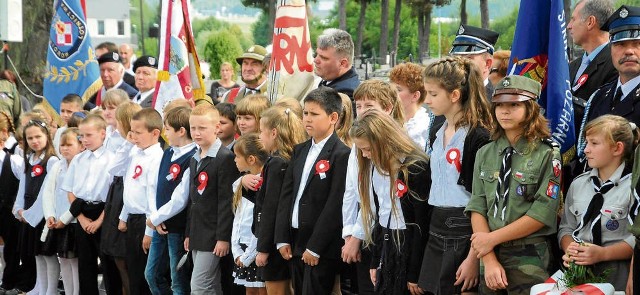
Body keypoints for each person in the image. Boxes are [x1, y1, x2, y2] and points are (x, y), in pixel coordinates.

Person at [465, 75, 562, 294]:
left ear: (531, 109)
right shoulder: (485, 152)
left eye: (514, 105)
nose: (504, 111)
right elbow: (477, 206)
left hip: (528, 254)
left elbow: (542, 212)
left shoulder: (547, 153)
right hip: (489, 253)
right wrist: (488, 258)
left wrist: (490, 239)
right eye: (499, 105)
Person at [418, 56, 493, 295]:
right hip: (437, 222)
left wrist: (473, 257)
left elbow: (481, 201)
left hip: (464, 228)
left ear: (454, 95)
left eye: (432, 94)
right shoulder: (437, 131)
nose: (426, 100)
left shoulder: (477, 137)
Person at [275, 87, 350, 294]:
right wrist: (282, 237)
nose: (307, 119)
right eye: (305, 113)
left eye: (314, 114)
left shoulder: (342, 154)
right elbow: (287, 196)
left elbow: (335, 205)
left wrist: (316, 246)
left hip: (320, 246)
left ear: (333, 117)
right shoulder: (300, 150)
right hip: (295, 239)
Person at [349, 109, 430, 295]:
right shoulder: (375, 169)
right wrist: (376, 259)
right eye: (361, 150)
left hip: (408, 245)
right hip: (387, 244)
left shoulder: (414, 168)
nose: (366, 155)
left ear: (383, 141)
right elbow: (381, 217)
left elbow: (420, 225)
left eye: (368, 149)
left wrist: (414, 273)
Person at [559, 115, 636, 291]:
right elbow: (566, 227)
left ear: (617, 148)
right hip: (577, 275)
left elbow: (636, 238)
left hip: (617, 276)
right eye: (586, 143)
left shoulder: (633, 188)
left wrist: (603, 254)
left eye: (594, 143)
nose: (586, 150)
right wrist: (570, 249)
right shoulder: (579, 184)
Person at [341, 80, 405, 295]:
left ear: (387, 108)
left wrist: (357, 235)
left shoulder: (394, 144)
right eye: (358, 106)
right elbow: (353, 190)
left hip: (385, 228)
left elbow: (381, 198)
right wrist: (349, 232)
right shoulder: (358, 143)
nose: (361, 112)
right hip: (365, 225)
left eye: (369, 106)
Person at [185, 104, 240, 294]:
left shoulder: (224, 158)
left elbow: (227, 202)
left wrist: (223, 237)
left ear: (216, 128)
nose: (197, 133)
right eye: (193, 128)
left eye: (202, 128)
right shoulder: (195, 157)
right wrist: (188, 232)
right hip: (198, 232)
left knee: (199, 286)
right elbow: (194, 200)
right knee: (212, 285)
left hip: (213, 234)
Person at [60, 115, 117, 295]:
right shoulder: (78, 159)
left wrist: (100, 221)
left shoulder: (112, 159)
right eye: (81, 136)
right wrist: (81, 218)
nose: (84, 140)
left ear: (102, 134)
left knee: (108, 264)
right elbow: (70, 191)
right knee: (85, 264)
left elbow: (113, 195)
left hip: (104, 212)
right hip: (82, 211)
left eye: (89, 135)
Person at [253, 106, 306, 295]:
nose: (259, 137)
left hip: (275, 243)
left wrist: (263, 248)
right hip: (284, 238)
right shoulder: (293, 157)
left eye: (261, 131)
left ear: (273, 132)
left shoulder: (277, 163)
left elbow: (270, 208)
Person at [144, 106, 196, 295]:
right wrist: (155, 219)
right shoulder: (168, 153)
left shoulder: (192, 157)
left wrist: (157, 218)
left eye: (167, 129)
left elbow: (180, 199)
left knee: (178, 281)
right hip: (160, 224)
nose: (164, 133)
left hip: (177, 227)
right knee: (152, 274)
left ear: (181, 131)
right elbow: (156, 187)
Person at [578, 5, 640, 159]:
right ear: (611, 49)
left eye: (637, 43)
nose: (629, 51)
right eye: (620, 44)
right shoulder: (598, 97)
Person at [117, 108, 164, 295]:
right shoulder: (136, 152)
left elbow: (152, 196)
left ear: (155, 133)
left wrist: (149, 231)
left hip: (145, 221)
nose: (133, 136)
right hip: (132, 219)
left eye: (138, 132)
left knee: (142, 275)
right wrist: (123, 215)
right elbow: (116, 171)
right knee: (132, 271)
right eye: (131, 132)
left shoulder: (156, 158)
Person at [13, 119, 59, 295]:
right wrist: (19, 209)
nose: (34, 141)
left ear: (47, 136)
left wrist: (32, 214)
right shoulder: (29, 159)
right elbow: (22, 187)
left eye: (38, 136)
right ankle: (40, 287)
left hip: (42, 214)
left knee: (47, 253)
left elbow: (47, 193)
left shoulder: (52, 161)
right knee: (36, 253)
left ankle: (51, 290)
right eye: (30, 138)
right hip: (28, 212)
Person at [102, 102, 142, 295]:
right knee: (117, 260)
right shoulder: (126, 144)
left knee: (125, 260)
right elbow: (113, 168)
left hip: (126, 202)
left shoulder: (140, 148)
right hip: (116, 197)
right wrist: (127, 142)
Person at [42, 127, 84, 295]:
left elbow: (78, 197)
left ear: (81, 146)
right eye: (62, 145)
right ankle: (68, 291)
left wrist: (65, 219)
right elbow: (48, 192)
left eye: (69, 145)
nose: (65, 148)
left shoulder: (81, 166)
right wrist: (50, 215)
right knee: (64, 261)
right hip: (58, 221)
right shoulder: (58, 166)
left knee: (75, 262)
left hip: (73, 221)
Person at [568, 0, 617, 133]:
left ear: (590, 22)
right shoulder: (572, 66)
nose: (569, 26)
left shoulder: (615, 64)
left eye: (573, 19)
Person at [231, 134, 269, 294]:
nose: (234, 160)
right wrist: (236, 251)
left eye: (237, 156)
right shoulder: (241, 183)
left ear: (251, 159)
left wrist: (247, 256)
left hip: (256, 250)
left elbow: (260, 224)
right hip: (243, 249)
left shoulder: (264, 183)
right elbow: (238, 221)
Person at [0, 112, 29, 295]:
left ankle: (10, 281)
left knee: (12, 249)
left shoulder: (15, 161)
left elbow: (26, 186)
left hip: (9, 212)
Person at [449, 24, 500, 100]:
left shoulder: (495, 103)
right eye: (457, 57)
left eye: (469, 58)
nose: (459, 63)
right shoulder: (449, 96)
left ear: (487, 64)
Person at [389, 62, 432, 150]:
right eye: (391, 89)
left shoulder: (423, 129)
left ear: (415, 96)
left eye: (398, 90)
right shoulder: (390, 121)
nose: (391, 94)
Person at [314, 29, 360, 101]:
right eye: (317, 54)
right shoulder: (330, 79)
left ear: (342, 63)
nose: (316, 60)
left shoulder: (345, 94)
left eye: (323, 58)